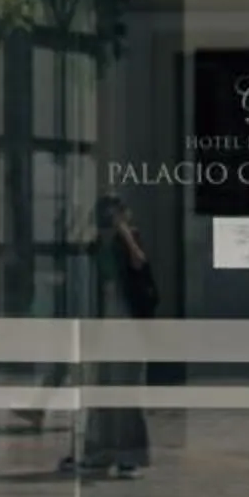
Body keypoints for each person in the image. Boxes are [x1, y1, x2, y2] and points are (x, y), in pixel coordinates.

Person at [72, 195, 156, 478]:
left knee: (127, 388)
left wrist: (124, 232)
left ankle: (129, 454)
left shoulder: (130, 238)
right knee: (103, 387)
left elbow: (139, 263)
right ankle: (100, 452)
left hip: (129, 322)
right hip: (106, 322)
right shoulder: (98, 245)